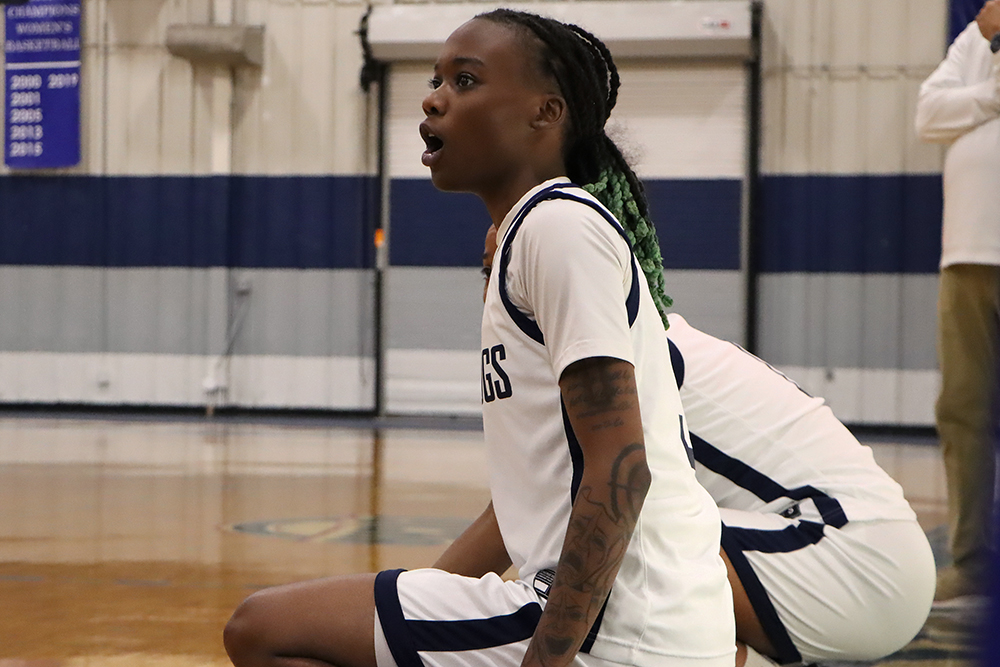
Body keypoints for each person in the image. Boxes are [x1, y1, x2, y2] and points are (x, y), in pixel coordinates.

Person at [223, 9, 735, 667]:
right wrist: (429, 596)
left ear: (543, 114)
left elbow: (621, 466)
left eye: (465, 81)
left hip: (619, 630)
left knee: (261, 629)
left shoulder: (560, 227)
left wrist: (545, 660)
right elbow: (521, 507)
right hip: (632, 622)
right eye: (436, 79)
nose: (434, 97)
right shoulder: (531, 235)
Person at [478, 227, 935, 667]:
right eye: (489, 271)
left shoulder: (618, 359)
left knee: (599, 560)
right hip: (861, 552)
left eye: (501, 269)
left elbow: (510, 523)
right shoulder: (637, 339)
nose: (492, 291)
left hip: (857, 555)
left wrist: (415, 609)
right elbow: (516, 513)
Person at [915, 0, 1000, 604]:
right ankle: (972, 561)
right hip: (967, 253)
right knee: (963, 410)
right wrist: (993, 97)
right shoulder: (979, 35)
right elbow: (928, 113)